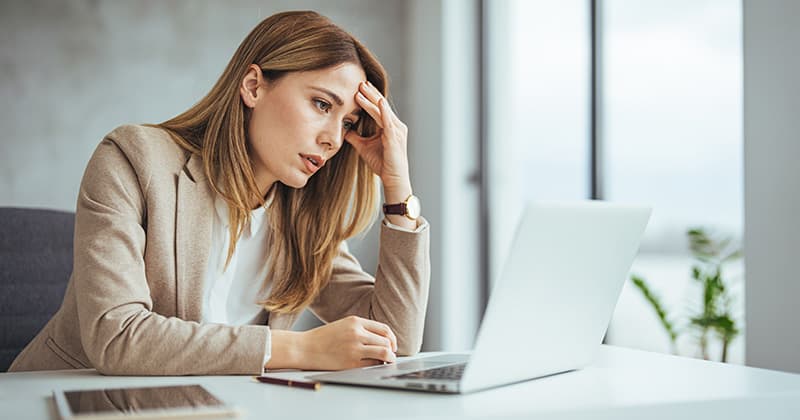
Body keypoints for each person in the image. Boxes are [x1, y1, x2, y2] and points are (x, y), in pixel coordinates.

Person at [9, 10, 429, 375]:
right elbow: (117, 336)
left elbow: (396, 338)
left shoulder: (302, 219)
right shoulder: (132, 160)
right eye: (322, 105)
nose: (334, 139)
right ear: (253, 86)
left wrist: (399, 188)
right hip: (70, 400)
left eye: (349, 123)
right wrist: (302, 349)